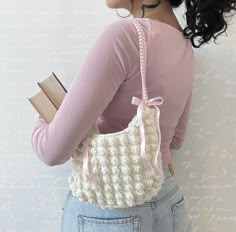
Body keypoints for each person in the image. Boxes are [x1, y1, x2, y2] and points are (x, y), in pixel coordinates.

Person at [31, 0, 236, 231]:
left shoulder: (124, 36)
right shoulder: (184, 45)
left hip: (111, 207)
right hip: (168, 202)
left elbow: (52, 151)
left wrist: (45, 119)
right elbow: (175, 140)